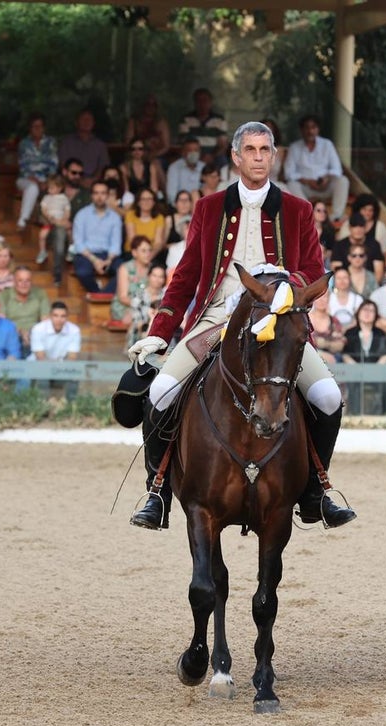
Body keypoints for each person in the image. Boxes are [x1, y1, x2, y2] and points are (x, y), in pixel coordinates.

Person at [126, 120, 355, 531]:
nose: (258, 157)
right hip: (216, 320)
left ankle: (315, 491)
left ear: (274, 155)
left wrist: (288, 289)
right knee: (160, 391)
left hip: (278, 321)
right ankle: (157, 490)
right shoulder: (208, 207)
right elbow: (186, 275)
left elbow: (313, 271)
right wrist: (160, 330)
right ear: (236, 157)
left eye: (265, 150)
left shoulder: (299, 210)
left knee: (327, 397)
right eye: (250, 150)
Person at [284, 114, 350, 223]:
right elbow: (288, 173)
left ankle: (336, 216)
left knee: (343, 180)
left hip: (325, 186)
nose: (310, 131)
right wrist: (308, 181)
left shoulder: (327, 145)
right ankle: (307, 216)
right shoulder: (294, 147)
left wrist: (327, 178)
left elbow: (337, 169)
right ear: (301, 130)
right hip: (306, 189)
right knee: (291, 184)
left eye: (313, 127)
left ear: (318, 129)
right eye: (307, 127)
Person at [72, 180, 124, 294]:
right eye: (96, 193)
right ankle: (99, 293)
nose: (99, 197)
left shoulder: (115, 217)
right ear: (91, 195)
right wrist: (95, 261)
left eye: (103, 193)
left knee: (124, 271)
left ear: (107, 195)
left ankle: (102, 295)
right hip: (86, 255)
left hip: (108, 255)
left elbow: (116, 244)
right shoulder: (81, 215)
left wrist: (108, 261)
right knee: (82, 272)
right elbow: (79, 244)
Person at [46, 159, 92, 286]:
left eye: (80, 174)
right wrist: (60, 223)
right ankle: (58, 275)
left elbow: (90, 219)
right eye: (74, 173)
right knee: (61, 232)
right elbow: (43, 213)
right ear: (65, 172)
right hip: (54, 231)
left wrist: (72, 226)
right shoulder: (54, 192)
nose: (77, 176)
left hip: (79, 234)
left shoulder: (86, 195)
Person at [29, 301, 82, 400]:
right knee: (41, 370)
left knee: (75, 372)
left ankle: (71, 405)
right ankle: (42, 404)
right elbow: (40, 356)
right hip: (39, 364)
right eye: (56, 315)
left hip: (62, 365)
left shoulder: (74, 330)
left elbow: (72, 357)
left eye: (63, 316)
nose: (59, 319)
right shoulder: (38, 329)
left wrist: (61, 366)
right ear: (50, 316)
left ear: (67, 317)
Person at [16, 114, 59, 231]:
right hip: (26, 178)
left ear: (44, 128)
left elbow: (54, 164)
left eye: (40, 126)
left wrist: (47, 181)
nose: (37, 129)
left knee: (54, 189)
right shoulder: (24, 144)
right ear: (30, 128)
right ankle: (23, 220)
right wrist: (35, 179)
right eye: (34, 126)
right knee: (33, 187)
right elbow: (23, 166)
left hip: (46, 178)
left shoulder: (50, 142)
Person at [0, 266, 51, 357]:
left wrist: (31, 333)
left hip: (35, 335)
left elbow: (45, 321)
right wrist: (21, 332)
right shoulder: (4, 295)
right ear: (14, 282)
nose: (24, 284)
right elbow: (2, 322)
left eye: (27, 280)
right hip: (11, 334)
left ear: (32, 282)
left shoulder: (40, 294)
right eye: (20, 280)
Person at [111, 236, 156, 328]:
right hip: (125, 307)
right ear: (134, 253)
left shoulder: (153, 269)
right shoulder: (125, 268)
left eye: (149, 250)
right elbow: (123, 297)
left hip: (147, 307)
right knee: (141, 316)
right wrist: (143, 306)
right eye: (143, 251)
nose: (148, 254)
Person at [177, 88, 229, 166]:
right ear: (194, 103)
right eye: (198, 101)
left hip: (214, 156)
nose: (202, 104)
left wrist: (211, 156)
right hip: (192, 154)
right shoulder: (186, 119)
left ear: (210, 102)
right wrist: (199, 156)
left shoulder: (219, 120)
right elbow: (184, 143)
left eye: (205, 100)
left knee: (223, 161)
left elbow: (223, 145)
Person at [58, 109, 108, 187]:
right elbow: (63, 165)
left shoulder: (100, 145)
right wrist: (78, 179)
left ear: (94, 123)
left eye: (89, 120)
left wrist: (93, 180)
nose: (86, 122)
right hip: (71, 182)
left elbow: (103, 167)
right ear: (76, 122)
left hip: (94, 184)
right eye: (83, 119)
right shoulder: (66, 143)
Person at [331, 212, 385, 281]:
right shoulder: (339, 246)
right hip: (345, 285)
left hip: (370, 286)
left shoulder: (374, 245)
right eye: (355, 226)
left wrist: (372, 287)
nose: (358, 230)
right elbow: (336, 271)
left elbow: (379, 272)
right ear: (349, 228)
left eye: (361, 226)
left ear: (365, 228)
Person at [36, 174, 70, 265]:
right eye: (49, 188)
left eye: (52, 188)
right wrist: (48, 216)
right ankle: (42, 251)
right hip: (49, 221)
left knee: (69, 232)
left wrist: (64, 219)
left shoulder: (64, 198)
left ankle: (71, 250)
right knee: (42, 235)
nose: (49, 190)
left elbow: (67, 210)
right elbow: (43, 208)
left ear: (59, 188)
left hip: (61, 221)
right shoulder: (46, 198)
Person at [125, 94, 172, 160]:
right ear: (143, 105)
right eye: (148, 104)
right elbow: (128, 141)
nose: (151, 107)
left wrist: (154, 155)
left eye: (154, 105)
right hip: (135, 155)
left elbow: (166, 146)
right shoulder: (134, 121)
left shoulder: (161, 122)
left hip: (157, 156)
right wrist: (139, 153)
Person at [308, 291, 345, 364]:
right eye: (318, 297)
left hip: (332, 360)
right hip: (309, 357)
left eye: (324, 297)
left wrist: (324, 343)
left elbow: (340, 345)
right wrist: (320, 354)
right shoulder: (306, 319)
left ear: (329, 299)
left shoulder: (334, 321)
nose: (321, 300)